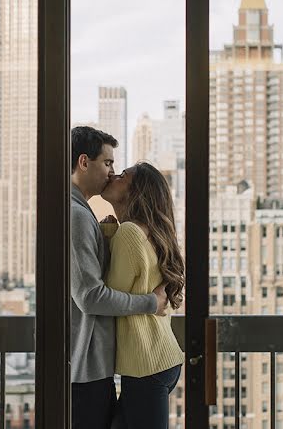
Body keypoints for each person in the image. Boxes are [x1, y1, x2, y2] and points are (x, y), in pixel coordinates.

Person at [70, 126, 169, 429]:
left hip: (93, 365)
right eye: (108, 163)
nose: (112, 172)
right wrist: (150, 303)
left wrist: (108, 235)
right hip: (84, 368)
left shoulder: (84, 213)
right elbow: (89, 296)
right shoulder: (75, 214)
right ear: (84, 162)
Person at [101, 162, 185, 429]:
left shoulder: (128, 233)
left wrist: (106, 238)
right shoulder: (148, 231)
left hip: (145, 365)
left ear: (136, 192)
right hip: (160, 359)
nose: (113, 175)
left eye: (123, 176)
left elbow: (109, 297)